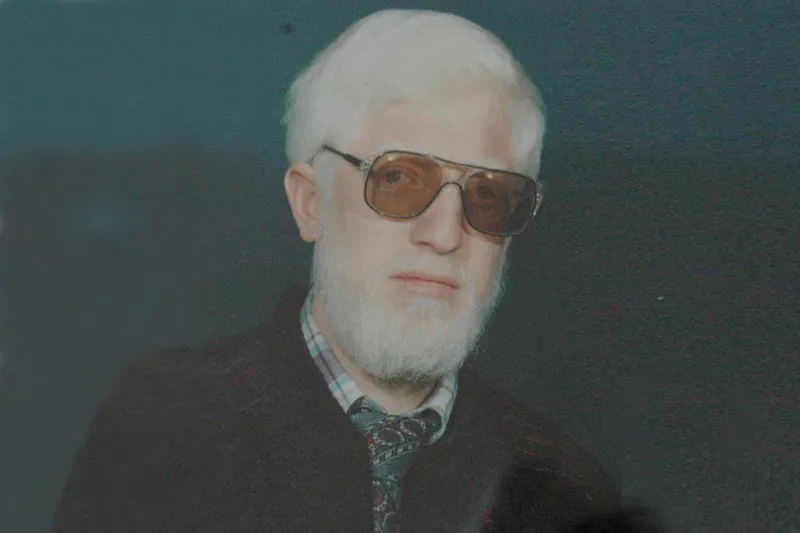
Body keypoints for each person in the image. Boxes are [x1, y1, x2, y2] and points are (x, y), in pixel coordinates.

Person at [52, 9, 634, 533]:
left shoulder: (565, 489)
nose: (445, 234)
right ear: (310, 203)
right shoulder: (162, 431)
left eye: (487, 195)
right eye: (398, 179)